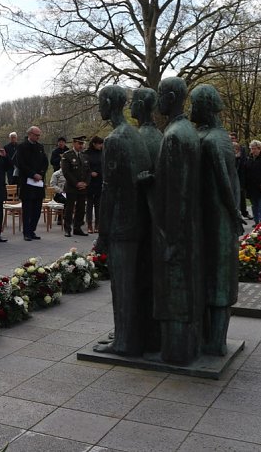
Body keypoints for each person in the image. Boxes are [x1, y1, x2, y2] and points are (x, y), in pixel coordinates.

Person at [93, 85, 157, 357]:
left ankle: (125, 342)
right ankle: (133, 337)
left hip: (122, 223)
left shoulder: (116, 138)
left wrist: (102, 232)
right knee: (134, 283)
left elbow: (110, 190)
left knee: (122, 286)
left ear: (109, 103)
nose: (99, 107)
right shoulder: (135, 134)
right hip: (139, 221)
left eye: (100, 102)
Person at [190, 84, 243, 356]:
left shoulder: (214, 138)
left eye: (195, 104)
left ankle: (217, 340)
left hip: (218, 218)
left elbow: (225, 181)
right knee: (210, 276)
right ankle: (208, 335)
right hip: (208, 217)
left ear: (206, 107)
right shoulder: (209, 134)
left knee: (219, 279)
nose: (192, 110)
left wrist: (234, 215)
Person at [153, 77, 203, 365]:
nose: (159, 100)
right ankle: (184, 348)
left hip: (176, 230)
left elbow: (176, 194)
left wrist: (171, 239)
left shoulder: (174, 135)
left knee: (176, 294)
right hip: (188, 226)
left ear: (170, 97)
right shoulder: (186, 130)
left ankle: (176, 352)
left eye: (161, 94)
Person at [15, 126, 48, 241]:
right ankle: (27, 232)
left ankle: (32, 230)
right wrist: (33, 174)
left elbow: (45, 162)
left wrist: (41, 174)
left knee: (37, 209)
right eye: (36, 135)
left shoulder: (40, 147)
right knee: (28, 209)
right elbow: (21, 164)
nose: (38, 137)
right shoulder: (22, 147)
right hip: (27, 182)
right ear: (29, 134)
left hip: (38, 183)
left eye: (39, 135)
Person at [60, 136, 90, 237]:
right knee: (69, 208)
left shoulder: (84, 156)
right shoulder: (67, 155)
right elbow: (66, 172)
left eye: (82, 144)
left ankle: (77, 227)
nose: (81, 146)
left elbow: (88, 171)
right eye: (79, 143)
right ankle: (67, 229)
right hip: (72, 187)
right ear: (74, 143)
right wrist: (76, 183)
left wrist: (86, 183)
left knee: (81, 209)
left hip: (83, 187)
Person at [243, 140, 261, 225]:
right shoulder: (248, 159)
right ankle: (256, 222)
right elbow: (245, 172)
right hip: (251, 187)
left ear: (259, 149)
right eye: (251, 149)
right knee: (254, 206)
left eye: (255, 149)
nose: (253, 151)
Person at [85, 136, 103, 233]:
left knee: (98, 204)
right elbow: (84, 166)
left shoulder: (103, 153)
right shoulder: (86, 153)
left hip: (100, 180)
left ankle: (97, 224)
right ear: (94, 144)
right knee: (89, 204)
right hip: (90, 181)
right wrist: (90, 172)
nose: (101, 145)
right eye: (99, 143)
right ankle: (89, 224)